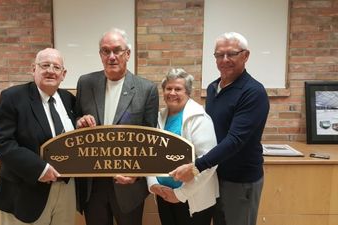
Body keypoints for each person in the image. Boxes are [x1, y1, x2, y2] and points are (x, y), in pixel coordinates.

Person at [170, 32, 270, 225]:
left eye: (231, 54)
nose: (224, 60)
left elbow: (235, 140)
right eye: (219, 55)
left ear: (245, 55)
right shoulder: (213, 88)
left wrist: (196, 167)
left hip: (239, 181)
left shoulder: (253, 92)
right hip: (214, 176)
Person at [74, 28, 159, 225]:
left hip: (128, 185)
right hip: (92, 183)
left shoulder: (146, 89)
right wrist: (79, 122)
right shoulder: (86, 83)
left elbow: (150, 140)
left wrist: (137, 175)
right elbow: (76, 119)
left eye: (117, 50)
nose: (111, 56)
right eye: (105, 51)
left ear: (127, 54)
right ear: (100, 55)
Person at [0, 48, 77, 225]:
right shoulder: (13, 97)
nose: (50, 71)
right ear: (33, 69)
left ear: (63, 74)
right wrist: (40, 169)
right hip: (26, 191)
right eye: (45, 65)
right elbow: (1, 142)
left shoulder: (68, 99)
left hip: (66, 189)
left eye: (56, 67)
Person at [147, 68, 218, 225]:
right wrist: (153, 184)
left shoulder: (199, 118)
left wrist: (180, 194)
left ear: (188, 92)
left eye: (178, 89)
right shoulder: (159, 118)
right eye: (168, 88)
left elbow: (209, 163)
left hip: (192, 199)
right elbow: (150, 155)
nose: (172, 93)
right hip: (164, 195)